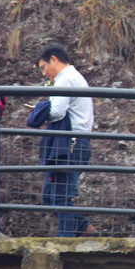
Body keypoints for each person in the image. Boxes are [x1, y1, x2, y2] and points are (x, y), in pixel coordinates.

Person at [35, 43, 95, 238]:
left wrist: (39, 111)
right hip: (77, 142)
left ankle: (66, 240)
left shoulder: (65, 79)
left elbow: (57, 111)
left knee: (59, 195)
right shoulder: (75, 77)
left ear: (54, 59)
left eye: (43, 67)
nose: (44, 74)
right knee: (50, 195)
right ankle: (84, 227)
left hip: (70, 144)